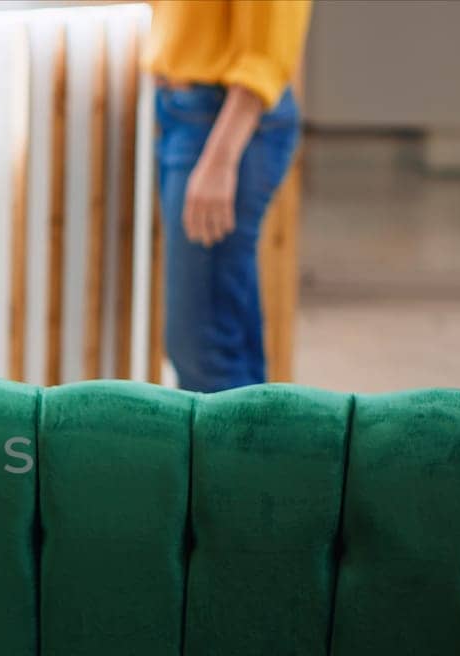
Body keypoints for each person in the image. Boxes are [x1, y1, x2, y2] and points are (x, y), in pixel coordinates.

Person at [147, 0, 313, 392]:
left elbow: (270, 40)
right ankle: (258, 449)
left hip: (223, 121)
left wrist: (221, 158)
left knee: (204, 347)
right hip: (188, 111)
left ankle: (239, 453)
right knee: (218, 328)